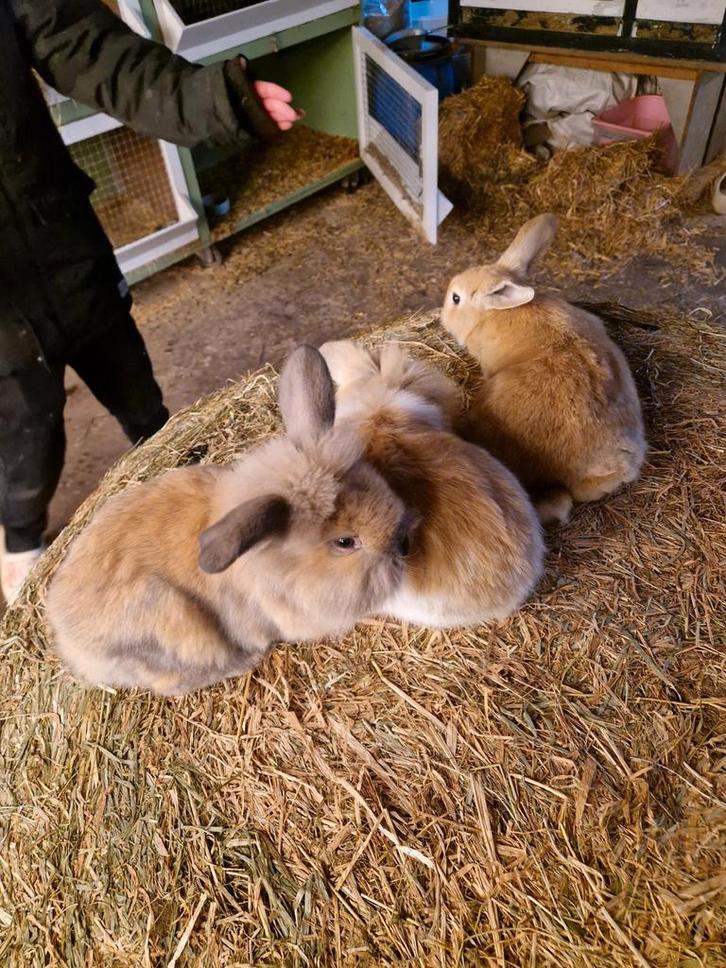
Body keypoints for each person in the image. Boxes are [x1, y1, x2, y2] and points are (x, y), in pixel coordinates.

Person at [0, 0, 301, 604]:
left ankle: (168, 458)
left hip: (59, 234)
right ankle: (20, 537)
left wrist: (213, 100)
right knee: (27, 425)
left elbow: (91, 48)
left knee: (129, 373)